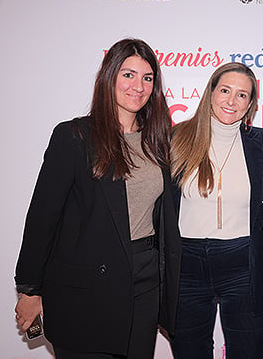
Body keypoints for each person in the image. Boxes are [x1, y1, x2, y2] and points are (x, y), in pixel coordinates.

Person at [14, 38, 182, 358]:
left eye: (147, 78)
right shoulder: (75, 136)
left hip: (145, 282)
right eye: (128, 74)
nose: (139, 86)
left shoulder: (159, 141)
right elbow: (43, 217)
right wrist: (30, 289)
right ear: (109, 77)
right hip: (87, 288)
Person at [167, 62, 263, 359]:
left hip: (243, 264)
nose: (232, 101)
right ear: (210, 92)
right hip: (185, 265)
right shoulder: (175, 139)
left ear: (251, 104)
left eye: (242, 95)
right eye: (225, 90)